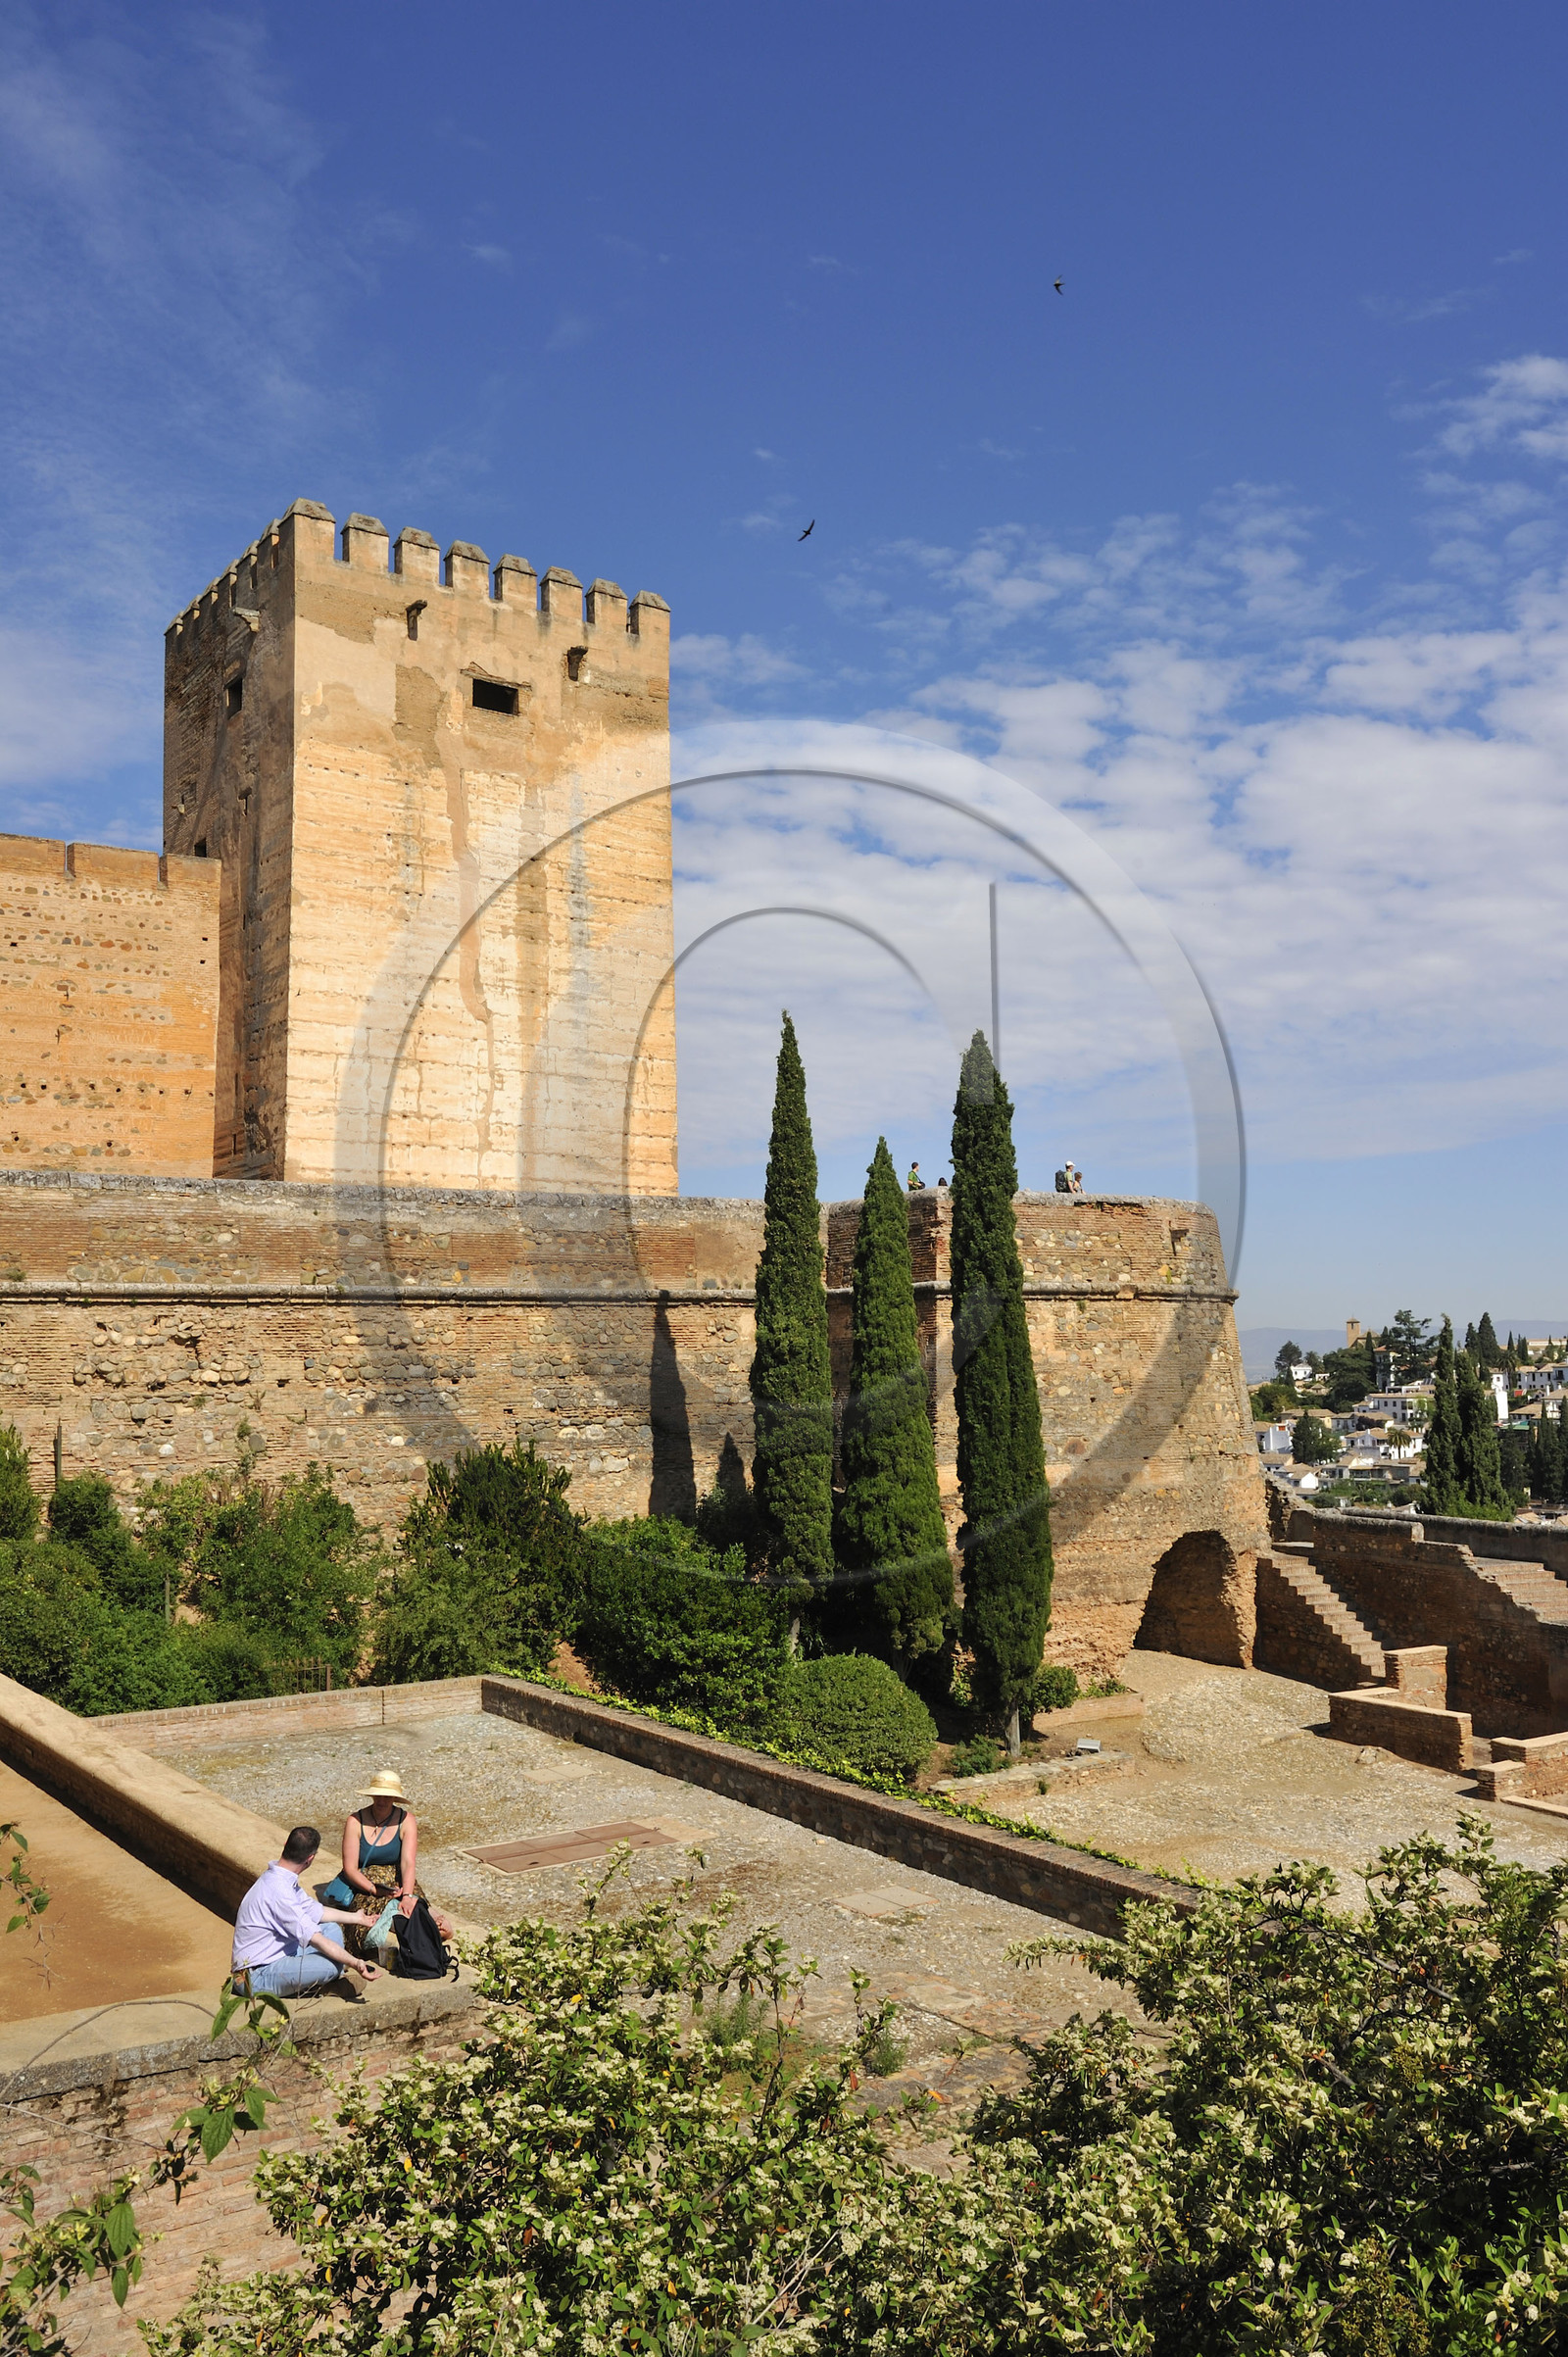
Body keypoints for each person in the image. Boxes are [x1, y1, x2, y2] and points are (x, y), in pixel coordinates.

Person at [232, 1825, 380, 1998]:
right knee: (331, 1966)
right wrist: (355, 1962)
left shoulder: (281, 1878)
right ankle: (323, 1983)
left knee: (331, 1929)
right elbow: (315, 1938)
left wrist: (357, 1918)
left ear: (286, 1844)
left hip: (276, 1955)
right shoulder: (280, 1892)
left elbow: (315, 1911)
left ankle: (323, 1978)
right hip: (254, 1977)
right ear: (310, 1859)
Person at [320, 1769, 455, 1943]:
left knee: (419, 1908)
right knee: (379, 1917)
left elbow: (408, 1862)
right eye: (379, 1796)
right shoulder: (355, 1821)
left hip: (397, 1878)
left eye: (387, 1796)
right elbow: (350, 1869)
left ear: (394, 1798)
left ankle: (426, 1920)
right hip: (366, 1882)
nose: (382, 1801)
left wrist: (407, 1896)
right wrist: (373, 1889)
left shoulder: (406, 1820)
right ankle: (414, 1927)